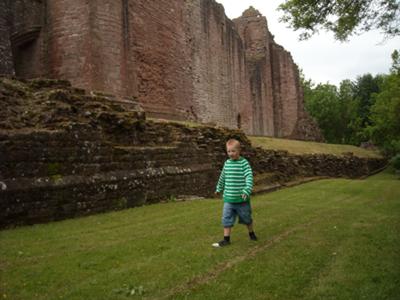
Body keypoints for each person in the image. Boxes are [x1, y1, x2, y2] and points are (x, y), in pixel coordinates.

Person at [213, 138, 257, 247]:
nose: (231, 154)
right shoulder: (227, 163)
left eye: (233, 151)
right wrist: (219, 188)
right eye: (228, 151)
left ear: (239, 151)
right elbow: (223, 177)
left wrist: (246, 190)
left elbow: (249, 177)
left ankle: (251, 233)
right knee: (226, 219)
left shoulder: (244, 163)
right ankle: (226, 240)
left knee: (247, 218)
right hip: (229, 199)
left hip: (242, 199)